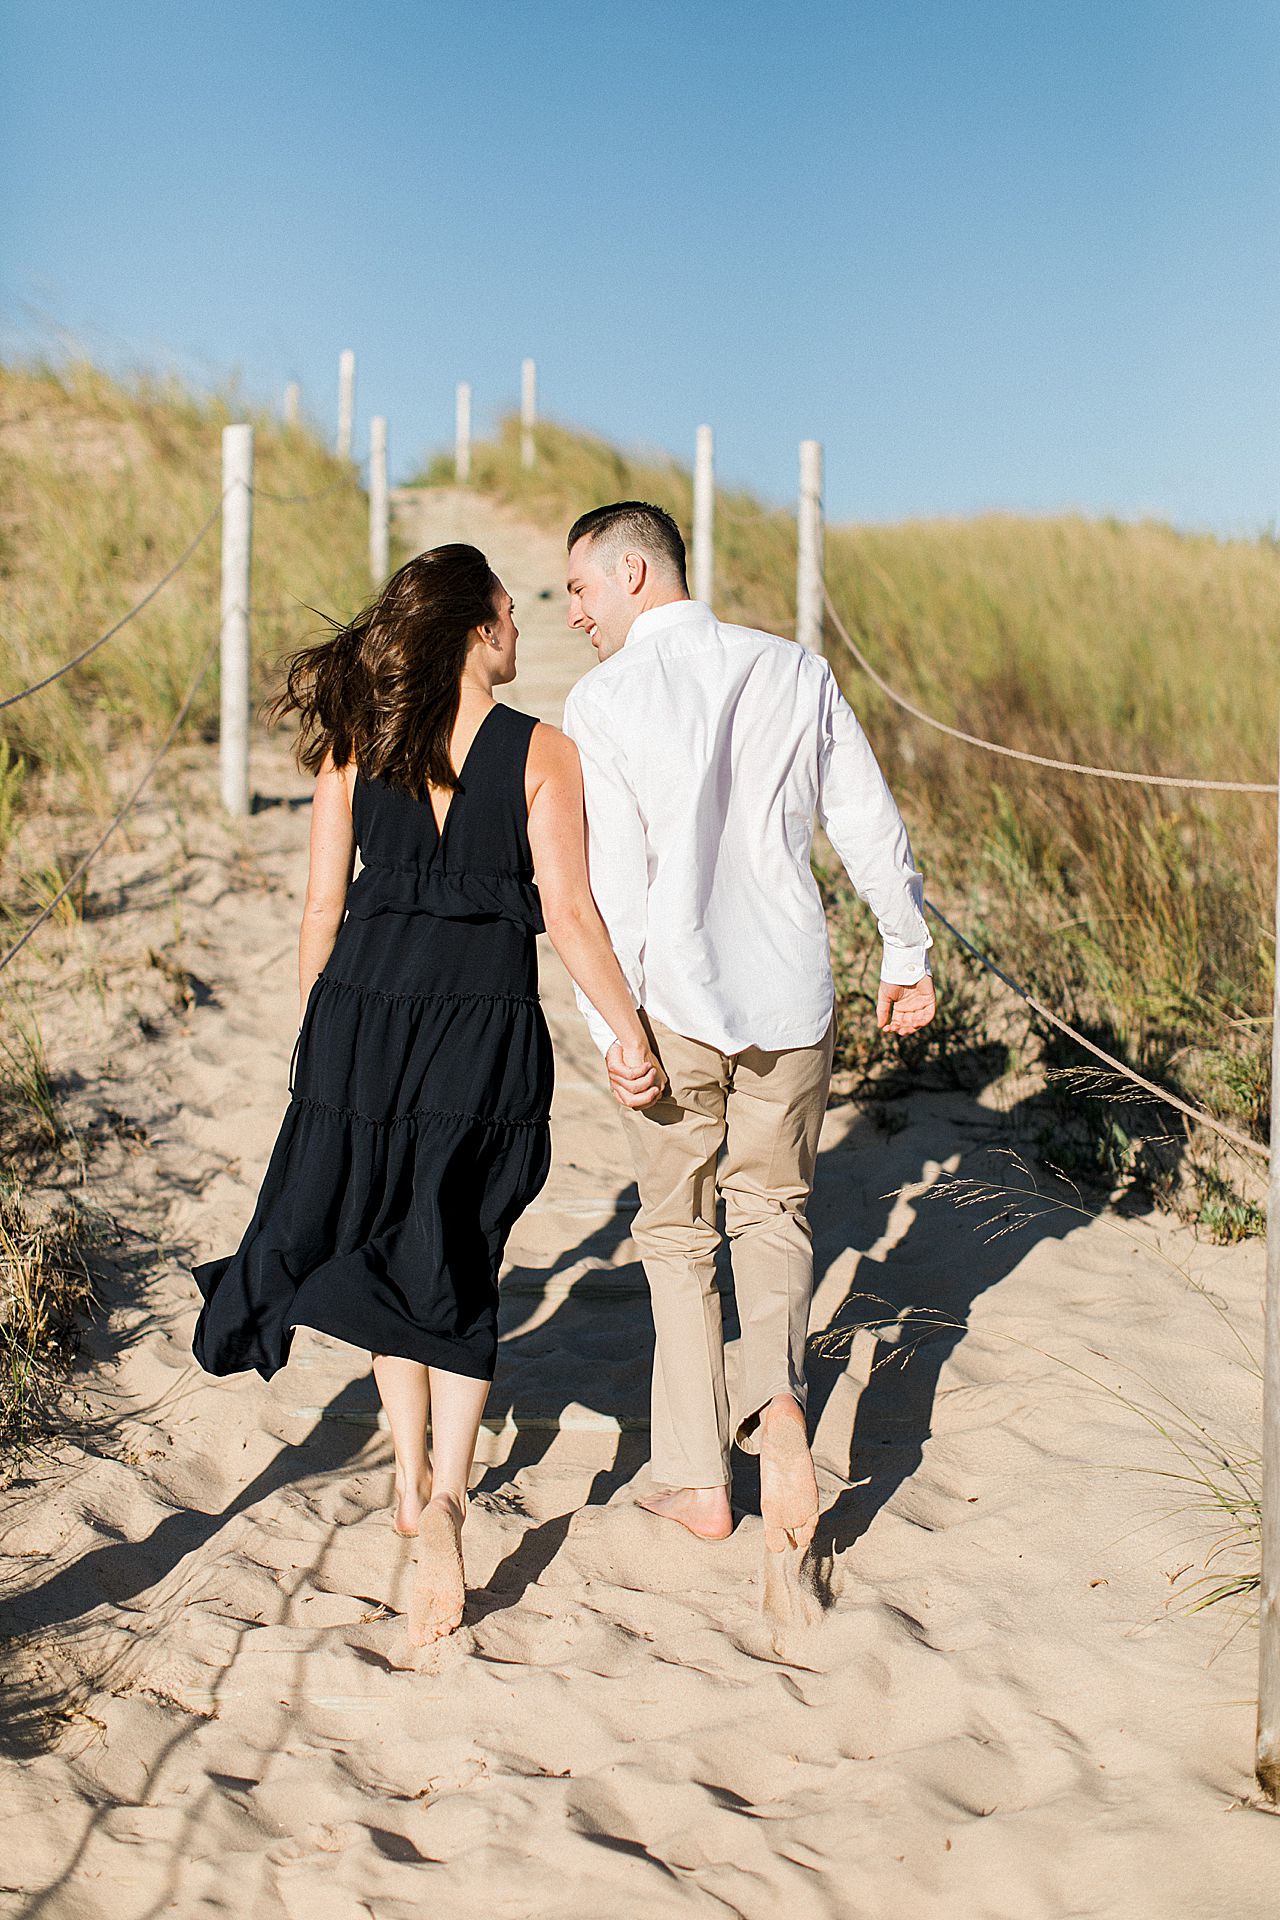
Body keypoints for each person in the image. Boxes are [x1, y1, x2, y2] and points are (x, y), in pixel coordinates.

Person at [191, 544, 662, 1645]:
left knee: (391, 1239)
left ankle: (406, 1483)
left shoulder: (358, 743)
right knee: (458, 1248)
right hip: (481, 1027)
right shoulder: (545, 751)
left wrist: (324, 1040)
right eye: (506, 614)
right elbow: (573, 916)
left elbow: (320, 907)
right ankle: (451, 1494)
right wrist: (627, 1036)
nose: (518, 631)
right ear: (469, 628)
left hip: (362, 1017)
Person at [562, 503, 936, 1556]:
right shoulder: (793, 669)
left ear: (632, 571)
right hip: (787, 993)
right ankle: (776, 1411)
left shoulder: (603, 698)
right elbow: (864, 820)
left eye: (580, 590)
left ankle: (692, 1480)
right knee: (772, 1211)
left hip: (669, 1001)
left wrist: (612, 1024)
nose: (574, 614)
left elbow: (610, 883)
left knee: (677, 1237)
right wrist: (902, 951)